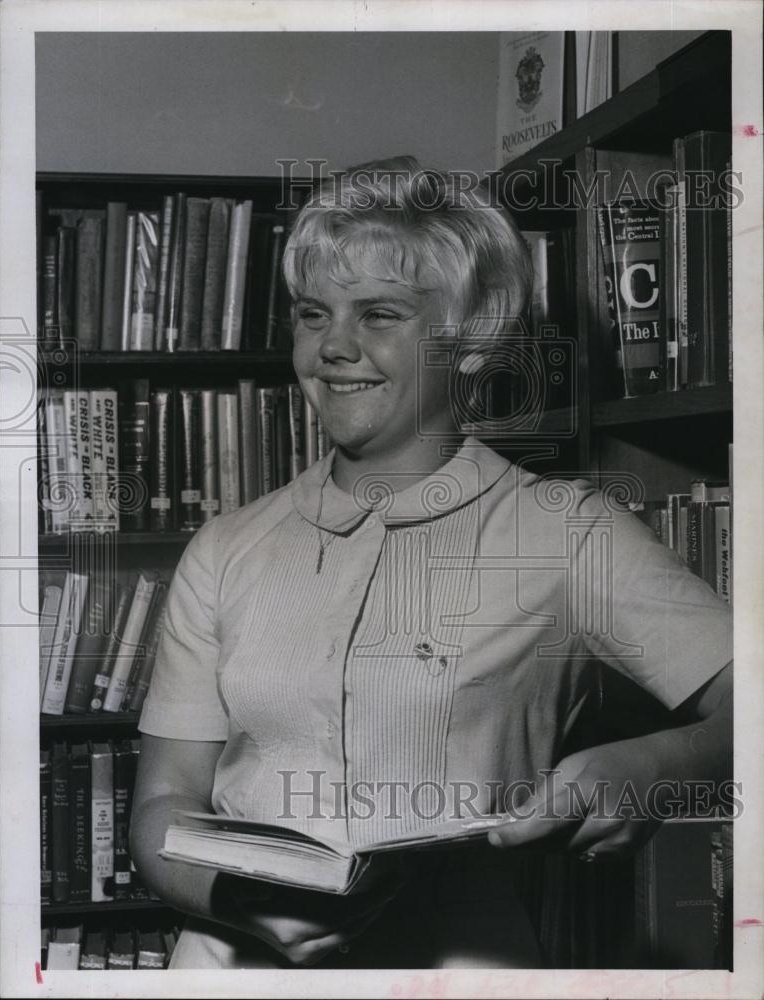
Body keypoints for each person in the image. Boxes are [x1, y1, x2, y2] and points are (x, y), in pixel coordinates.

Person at [130, 156, 733, 969]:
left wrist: (656, 765)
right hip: (228, 965)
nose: (334, 346)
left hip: (462, 969)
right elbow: (164, 802)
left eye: (379, 314)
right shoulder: (225, 549)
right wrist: (234, 898)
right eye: (313, 314)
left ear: (475, 338)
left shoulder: (569, 535)